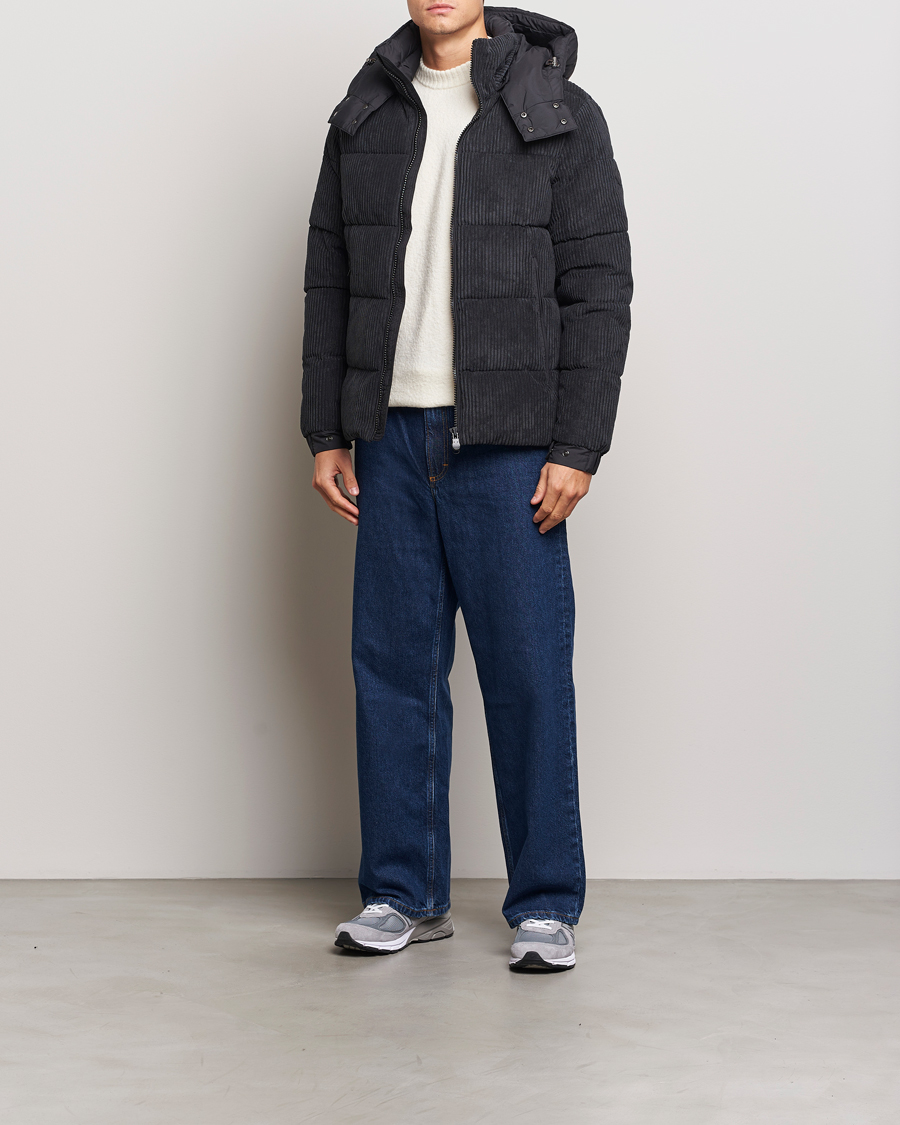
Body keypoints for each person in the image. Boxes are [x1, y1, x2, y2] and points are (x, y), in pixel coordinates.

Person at [300, 1, 631, 971]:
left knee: (527, 674)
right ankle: (402, 892)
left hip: (510, 443)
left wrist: (578, 446)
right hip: (390, 438)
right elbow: (329, 277)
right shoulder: (365, 112)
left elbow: (599, 288)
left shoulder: (559, 108)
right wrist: (326, 428)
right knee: (393, 675)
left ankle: (546, 903)